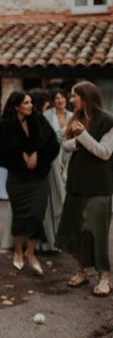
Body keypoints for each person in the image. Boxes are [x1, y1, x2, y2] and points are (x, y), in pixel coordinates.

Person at [0, 91, 59, 276]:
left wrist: (37, 152)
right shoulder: (5, 126)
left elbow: (54, 145)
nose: (30, 105)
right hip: (18, 179)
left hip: (38, 178)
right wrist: (19, 155)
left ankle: (31, 253)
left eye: (30, 102)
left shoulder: (39, 120)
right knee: (20, 216)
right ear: (16, 106)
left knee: (37, 215)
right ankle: (19, 252)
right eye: (26, 103)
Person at [56, 81, 113, 296]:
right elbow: (66, 145)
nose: (71, 100)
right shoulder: (77, 119)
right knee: (77, 229)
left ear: (86, 97)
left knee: (96, 231)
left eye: (73, 96)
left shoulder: (108, 121)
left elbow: (105, 152)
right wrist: (76, 137)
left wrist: (82, 136)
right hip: (76, 182)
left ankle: (104, 277)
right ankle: (81, 272)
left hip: (99, 185)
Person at [45, 88, 73, 181]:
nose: (60, 100)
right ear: (53, 101)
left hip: (69, 153)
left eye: (62, 97)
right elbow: (46, 138)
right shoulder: (47, 115)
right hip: (53, 153)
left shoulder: (72, 116)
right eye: (57, 98)